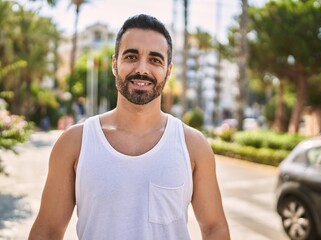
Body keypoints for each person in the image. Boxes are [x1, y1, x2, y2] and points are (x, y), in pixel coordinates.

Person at [29, 14, 230, 240]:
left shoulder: (193, 146)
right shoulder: (75, 143)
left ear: (169, 71)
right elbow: (46, 232)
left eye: (155, 60)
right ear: (115, 64)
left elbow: (215, 228)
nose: (142, 69)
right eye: (131, 56)